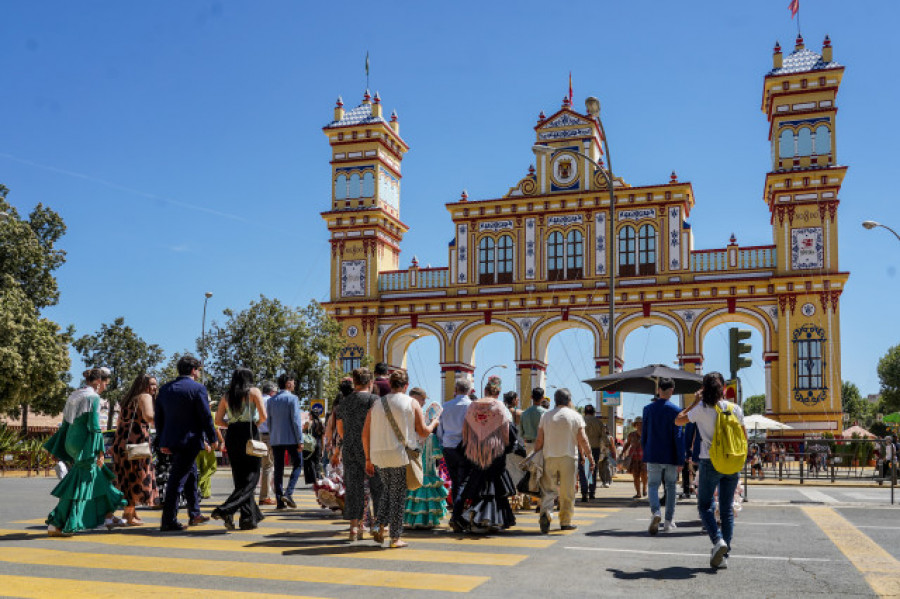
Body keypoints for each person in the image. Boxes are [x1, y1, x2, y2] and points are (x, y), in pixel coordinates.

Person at [675, 372, 747, 569]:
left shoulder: (702, 409)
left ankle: (718, 541)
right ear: (723, 387)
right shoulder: (735, 409)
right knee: (727, 510)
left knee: (705, 505)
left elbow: (678, 420)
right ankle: (724, 556)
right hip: (732, 463)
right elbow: (744, 438)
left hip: (710, 461)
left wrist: (694, 401)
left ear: (704, 389)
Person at [44, 368, 127, 536]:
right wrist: (100, 451)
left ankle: (108, 515)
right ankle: (57, 522)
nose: (105, 387)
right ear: (98, 382)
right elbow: (94, 426)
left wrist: (58, 448)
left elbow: (65, 423)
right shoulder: (93, 397)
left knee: (97, 478)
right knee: (80, 483)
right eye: (105, 383)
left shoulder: (75, 395)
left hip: (71, 442)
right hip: (85, 444)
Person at [364, 371, 438, 547]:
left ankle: (379, 526)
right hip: (399, 455)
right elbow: (422, 431)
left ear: (390, 384)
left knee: (389, 491)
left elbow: (365, 433)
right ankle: (395, 537)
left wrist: (368, 458)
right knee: (397, 495)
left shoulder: (376, 404)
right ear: (406, 386)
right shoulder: (411, 402)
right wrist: (434, 422)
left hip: (380, 454)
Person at [155, 356, 218, 532]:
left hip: (172, 440)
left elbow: (159, 417)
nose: (198, 373)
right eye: (198, 369)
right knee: (177, 481)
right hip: (189, 440)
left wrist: (162, 440)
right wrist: (213, 438)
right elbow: (205, 416)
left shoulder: (165, 389)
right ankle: (168, 520)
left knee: (192, 476)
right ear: (193, 370)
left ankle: (195, 514)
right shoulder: (198, 388)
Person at [449, 376, 517, 533]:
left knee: (479, 483)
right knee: (493, 484)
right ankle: (482, 517)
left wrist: (469, 445)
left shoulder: (473, 406)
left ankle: (479, 516)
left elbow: (466, 429)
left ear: (484, 390)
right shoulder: (499, 406)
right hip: (495, 450)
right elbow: (506, 431)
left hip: (475, 450)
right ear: (497, 393)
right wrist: (505, 446)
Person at [212, 367, 268, 530]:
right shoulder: (253, 392)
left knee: (240, 478)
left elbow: (219, 420)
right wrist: (254, 425)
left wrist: (232, 424)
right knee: (251, 477)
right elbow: (263, 416)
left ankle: (249, 518)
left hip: (232, 434)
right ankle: (225, 509)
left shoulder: (227, 395)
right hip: (249, 432)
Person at [535, 388, 593, 533]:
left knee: (548, 489)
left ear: (555, 400)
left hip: (549, 457)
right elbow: (583, 439)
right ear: (568, 400)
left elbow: (539, 440)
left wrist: (535, 455)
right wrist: (590, 457)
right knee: (567, 491)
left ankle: (546, 513)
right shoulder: (575, 416)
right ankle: (565, 521)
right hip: (568, 457)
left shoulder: (546, 416)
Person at [336, 367, 382, 541]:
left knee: (353, 487)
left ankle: (354, 528)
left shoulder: (344, 401)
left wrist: (349, 439)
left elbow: (340, 428)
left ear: (354, 382)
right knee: (377, 486)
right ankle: (377, 526)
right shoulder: (374, 400)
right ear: (370, 383)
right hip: (371, 447)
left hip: (349, 447)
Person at [111, 373, 159, 525]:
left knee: (125, 477)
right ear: (143, 385)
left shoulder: (128, 399)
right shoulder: (144, 397)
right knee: (137, 477)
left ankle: (132, 513)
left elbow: (119, 423)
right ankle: (128, 515)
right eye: (152, 384)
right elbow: (149, 416)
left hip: (122, 442)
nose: (155, 387)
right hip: (137, 443)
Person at [641, 378, 685, 535]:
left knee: (653, 485)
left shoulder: (648, 409)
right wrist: (681, 458)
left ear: (658, 390)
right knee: (671, 487)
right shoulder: (676, 410)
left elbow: (644, 434)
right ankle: (668, 521)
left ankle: (656, 512)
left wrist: (645, 451)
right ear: (672, 391)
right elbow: (679, 437)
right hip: (671, 456)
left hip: (653, 453)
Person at [404, 387, 448, 529]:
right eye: (423, 399)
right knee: (424, 478)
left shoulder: (404, 410)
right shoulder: (417, 412)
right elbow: (423, 432)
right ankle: (424, 519)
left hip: (409, 448)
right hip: (423, 447)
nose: (423, 402)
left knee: (414, 481)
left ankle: (413, 518)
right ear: (416, 398)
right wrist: (434, 424)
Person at [267, 372, 303, 509]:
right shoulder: (293, 399)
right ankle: (289, 492)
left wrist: (272, 437)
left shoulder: (271, 400)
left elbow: (269, 421)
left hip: (276, 439)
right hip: (291, 438)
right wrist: (300, 439)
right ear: (288, 383)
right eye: (293, 382)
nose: (294, 384)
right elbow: (296, 421)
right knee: (298, 464)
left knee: (278, 469)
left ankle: (279, 501)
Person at [437, 377, 473, 507]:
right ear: (469, 391)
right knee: (463, 482)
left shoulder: (445, 406)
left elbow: (440, 430)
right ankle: (458, 513)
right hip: (466, 447)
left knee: (455, 481)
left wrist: (442, 444)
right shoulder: (472, 407)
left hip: (449, 447)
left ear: (456, 390)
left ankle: (457, 511)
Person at [580, 405, 613, 500]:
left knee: (583, 470)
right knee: (592, 469)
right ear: (594, 412)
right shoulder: (598, 422)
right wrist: (608, 444)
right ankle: (592, 492)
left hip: (582, 448)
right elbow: (603, 436)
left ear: (584, 412)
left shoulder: (580, 420)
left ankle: (584, 493)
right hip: (595, 449)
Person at [257, 381, 278, 506]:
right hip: (268, 435)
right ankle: (264, 496)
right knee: (268, 466)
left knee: (257, 466)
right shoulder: (271, 402)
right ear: (271, 392)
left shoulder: (257, 400)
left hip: (257, 435)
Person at [623, 417, 647, 499]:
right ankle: (638, 493)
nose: (639, 425)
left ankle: (644, 488)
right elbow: (627, 444)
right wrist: (622, 452)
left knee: (644, 474)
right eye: (638, 424)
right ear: (635, 425)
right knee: (636, 476)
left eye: (641, 424)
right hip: (634, 458)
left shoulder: (646, 434)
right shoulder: (631, 434)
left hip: (644, 458)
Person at [520, 387, 547, 453]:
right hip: (542, 445)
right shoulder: (546, 413)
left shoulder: (524, 413)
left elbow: (521, 432)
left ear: (531, 397)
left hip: (528, 445)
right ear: (543, 398)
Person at [304, 409, 325, 485]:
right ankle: (318, 477)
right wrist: (322, 449)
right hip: (318, 444)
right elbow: (323, 437)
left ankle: (312, 478)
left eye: (309, 415)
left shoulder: (308, 423)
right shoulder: (320, 423)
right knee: (317, 462)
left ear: (312, 415)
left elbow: (303, 432)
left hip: (310, 445)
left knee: (309, 462)